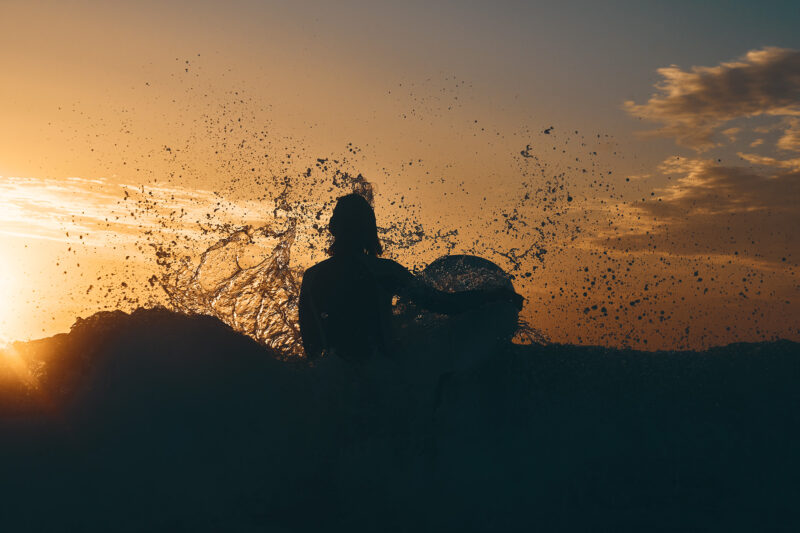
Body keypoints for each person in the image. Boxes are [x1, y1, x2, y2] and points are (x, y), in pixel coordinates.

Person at [298, 193, 524, 362]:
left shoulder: (311, 277)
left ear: (333, 229)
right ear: (369, 230)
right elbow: (444, 304)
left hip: (332, 388)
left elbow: (310, 344)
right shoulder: (384, 272)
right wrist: (494, 295)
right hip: (381, 381)